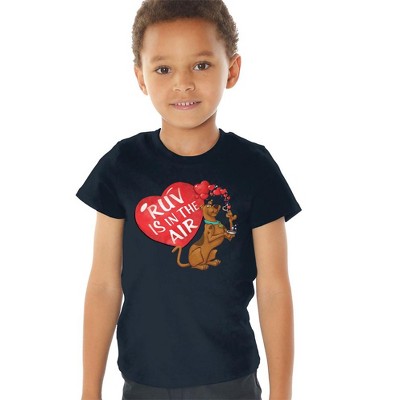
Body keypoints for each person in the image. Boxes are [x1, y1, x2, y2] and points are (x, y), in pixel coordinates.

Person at [76, 1, 302, 399]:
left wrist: (282, 393)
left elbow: (274, 288)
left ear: (231, 70)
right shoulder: (121, 166)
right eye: (164, 69)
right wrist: (89, 391)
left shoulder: (254, 167)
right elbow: (104, 285)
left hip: (230, 380)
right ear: (141, 77)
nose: (183, 83)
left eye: (201, 65)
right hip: (144, 380)